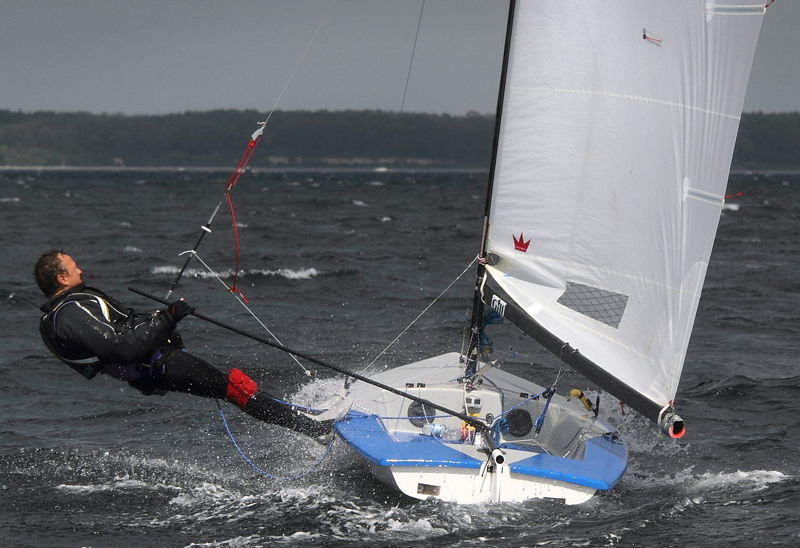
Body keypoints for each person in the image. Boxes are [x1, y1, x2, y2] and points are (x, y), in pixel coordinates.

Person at [34, 250, 339, 441]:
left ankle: (309, 423)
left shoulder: (70, 308)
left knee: (230, 386)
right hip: (155, 367)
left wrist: (160, 325)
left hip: (155, 362)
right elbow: (121, 349)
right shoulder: (69, 314)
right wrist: (168, 318)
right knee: (234, 387)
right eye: (74, 268)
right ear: (62, 278)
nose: (81, 270)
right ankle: (316, 431)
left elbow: (122, 331)